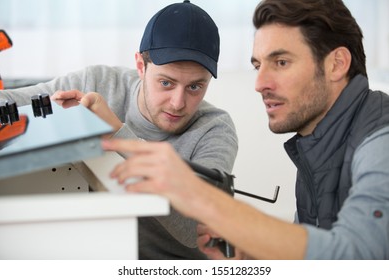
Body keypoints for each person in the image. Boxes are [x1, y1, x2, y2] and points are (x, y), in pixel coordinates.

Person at [101, 0, 389, 259]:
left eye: (281, 62)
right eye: (257, 66)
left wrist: (206, 201)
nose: (260, 83)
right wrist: (256, 258)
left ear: (336, 64)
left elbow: (359, 255)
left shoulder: (381, 140)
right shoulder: (315, 146)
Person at [0, 1, 238, 259]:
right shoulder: (97, 83)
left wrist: (115, 131)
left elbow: (194, 228)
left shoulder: (216, 130)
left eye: (195, 87)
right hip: (93, 254)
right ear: (140, 66)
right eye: (166, 83)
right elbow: (8, 102)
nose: (178, 103)